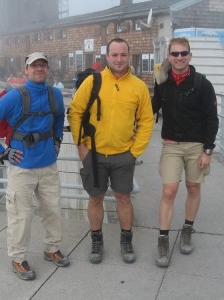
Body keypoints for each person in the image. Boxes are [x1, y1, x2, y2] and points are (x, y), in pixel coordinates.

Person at [0, 52, 69, 281]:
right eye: (34, 65)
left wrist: (57, 139)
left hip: (48, 166)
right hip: (22, 168)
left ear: (48, 69)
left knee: (52, 210)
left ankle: (52, 249)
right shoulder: (14, 97)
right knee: (20, 215)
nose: (39, 68)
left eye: (43, 65)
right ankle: (18, 258)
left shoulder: (54, 94)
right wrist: (3, 152)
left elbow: (59, 117)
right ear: (25, 70)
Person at [68, 38, 154, 264]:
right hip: (93, 155)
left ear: (129, 56)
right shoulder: (93, 82)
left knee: (123, 198)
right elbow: (75, 112)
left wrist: (135, 152)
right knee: (95, 198)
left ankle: (126, 240)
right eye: (114, 55)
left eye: (123, 55)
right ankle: (97, 241)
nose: (119, 59)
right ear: (106, 56)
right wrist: (81, 146)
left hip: (123, 155)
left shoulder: (138, 87)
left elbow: (146, 121)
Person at [151, 37, 219, 267]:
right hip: (171, 143)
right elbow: (151, 108)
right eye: (175, 54)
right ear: (169, 56)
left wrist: (208, 150)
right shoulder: (163, 82)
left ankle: (188, 228)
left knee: (193, 186)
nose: (179, 57)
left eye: (183, 53)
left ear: (190, 56)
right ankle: (163, 238)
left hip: (196, 145)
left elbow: (211, 118)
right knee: (169, 191)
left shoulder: (202, 84)